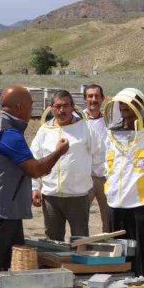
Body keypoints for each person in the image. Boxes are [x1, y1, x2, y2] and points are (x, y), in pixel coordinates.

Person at [0, 86, 69, 285]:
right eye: (31, 104)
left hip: (4, 210)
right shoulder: (7, 133)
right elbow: (35, 169)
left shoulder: (2, 127)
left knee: (7, 268)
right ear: (20, 106)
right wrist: (59, 152)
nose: (33, 108)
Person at [102, 88, 144, 280]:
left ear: (140, 108)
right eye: (122, 108)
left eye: (129, 107)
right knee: (118, 251)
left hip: (142, 203)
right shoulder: (113, 135)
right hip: (115, 202)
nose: (125, 112)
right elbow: (108, 166)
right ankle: (120, 284)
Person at [30, 90, 104, 241]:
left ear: (73, 107)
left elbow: (99, 157)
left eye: (65, 106)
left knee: (80, 240)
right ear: (51, 108)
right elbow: (35, 158)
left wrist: (100, 182)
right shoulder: (44, 131)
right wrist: (35, 187)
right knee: (53, 239)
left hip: (78, 195)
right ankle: (54, 266)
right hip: (50, 195)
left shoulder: (86, 128)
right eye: (57, 106)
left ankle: (79, 266)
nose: (62, 110)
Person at [83, 84, 111, 233]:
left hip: (105, 177)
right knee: (80, 218)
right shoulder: (77, 120)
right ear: (85, 99)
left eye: (96, 96)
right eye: (90, 96)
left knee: (108, 218)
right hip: (85, 177)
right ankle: (82, 248)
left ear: (102, 98)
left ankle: (107, 249)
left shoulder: (110, 121)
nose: (93, 99)